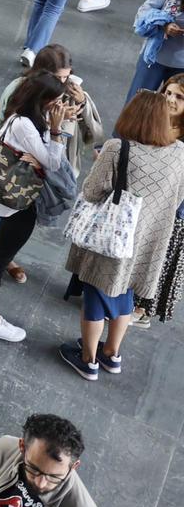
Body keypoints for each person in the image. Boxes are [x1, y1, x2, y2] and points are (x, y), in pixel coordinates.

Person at [61, 90, 184, 380]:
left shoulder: (118, 148)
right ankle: (112, 354)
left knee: (95, 296)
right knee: (125, 296)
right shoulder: (179, 152)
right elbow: (178, 196)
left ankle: (88, 359)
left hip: (112, 237)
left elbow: (92, 191)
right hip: (148, 240)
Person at [0, 70, 75, 344]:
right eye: (55, 101)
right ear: (43, 100)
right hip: (18, 203)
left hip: (9, 197)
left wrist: (46, 143)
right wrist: (56, 131)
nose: (58, 107)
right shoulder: (26, 125)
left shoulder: (23, 117)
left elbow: (43, 158)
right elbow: (52, 163)